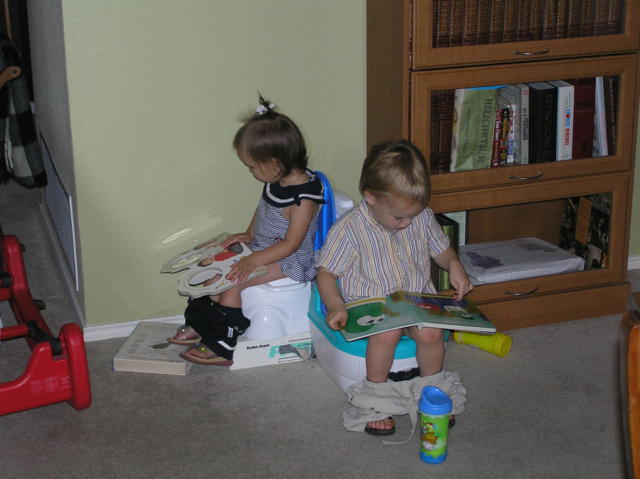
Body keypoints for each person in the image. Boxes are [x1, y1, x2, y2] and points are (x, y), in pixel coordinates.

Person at [316, 139, 472, 435]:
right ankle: (375, 398)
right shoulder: (350, 229)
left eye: (413, 214)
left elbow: (440, 250)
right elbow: (326, 273)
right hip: (372, 303)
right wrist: (335, 305)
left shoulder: (420, 217)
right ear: (371, 197)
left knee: (432, 331)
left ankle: (431, 388)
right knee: (386, 334)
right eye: (400, 217)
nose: (407, 223)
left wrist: (454, 265)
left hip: (415, 298)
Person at [171, 96, 325, 366]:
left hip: (290, 260)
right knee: (213, 270)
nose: (251, 171)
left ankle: (222, 345)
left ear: (274, 162)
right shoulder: (276, 179)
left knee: (232, 284)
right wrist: (249, 234)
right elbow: (264, 206)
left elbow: (291, 244)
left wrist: (253, 259)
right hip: (265, 247)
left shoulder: (303, 198)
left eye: (252, 166)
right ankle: (202, 324)